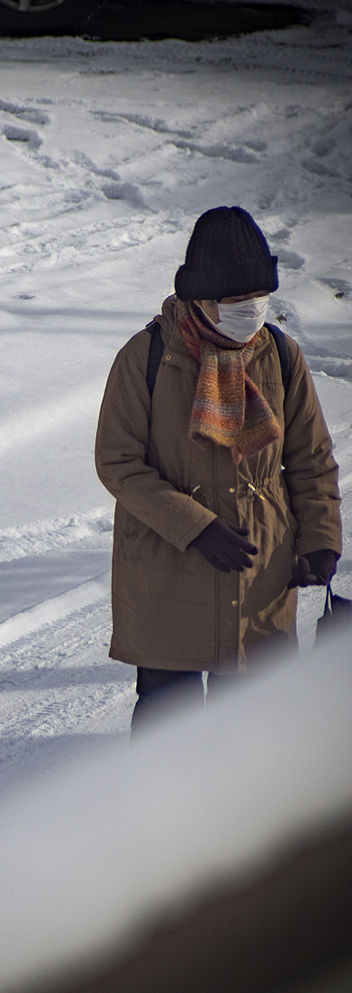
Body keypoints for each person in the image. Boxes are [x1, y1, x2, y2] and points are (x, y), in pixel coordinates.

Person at [94, 207, 342, 731]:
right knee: (169, 723)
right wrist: (195, 525)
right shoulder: (146, 357)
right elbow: (117, 461)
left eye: (260, 298)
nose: (253, 311)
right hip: (168, 568)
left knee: (251, 726)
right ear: (199, 299)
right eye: (236, 302)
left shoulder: (281, 355)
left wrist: (320, 537)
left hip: (259, 566)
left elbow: (310, 460)